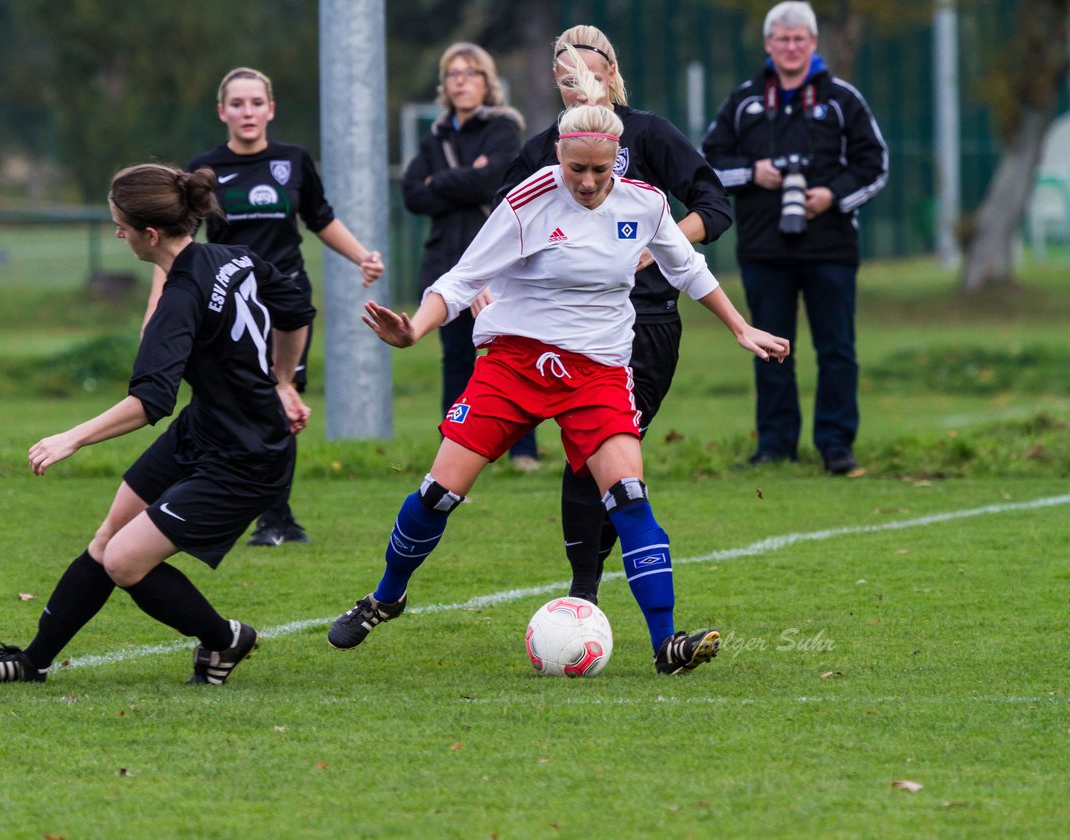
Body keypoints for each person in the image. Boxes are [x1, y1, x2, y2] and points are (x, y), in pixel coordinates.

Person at [327, 52, 789, 676]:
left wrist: (740, 327)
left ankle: (666, 643)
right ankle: (386, 596)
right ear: (559, 157)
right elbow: (461, 280)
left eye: (601, 171)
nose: (589, 183)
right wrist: (413, 329)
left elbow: (688, 268)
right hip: (514, 363)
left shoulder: (645, 204)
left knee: (628, 496)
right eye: (577, 169)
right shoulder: (530, 201)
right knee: (439, 494)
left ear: (617, 162)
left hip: (598, 371)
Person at [0, 164, 315, 685]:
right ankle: (31, 662)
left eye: (120, 226)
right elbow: (297, 308)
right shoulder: (233, 256)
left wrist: (71, 437)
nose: (117, 234)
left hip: (247, 456)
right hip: (205, 430)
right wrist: (284, 380)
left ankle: (225, 639)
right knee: (107, 540)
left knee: (125, 562)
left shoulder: (181, 298)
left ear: (149, 234)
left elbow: (150, 401)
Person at [493, 24, 735, 604]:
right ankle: (585, 595)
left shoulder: (648, 133)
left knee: (605, 462)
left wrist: (660, 246)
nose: (578, 83)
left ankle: (595, 595)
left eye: (589, 71)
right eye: (566, 74)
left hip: (645, 327)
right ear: (556, 80)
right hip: (565, 335)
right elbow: (500, 238)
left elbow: (714, 205)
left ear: (610, 72)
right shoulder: (541, 153)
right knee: (588, 457)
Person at [144, 66, 384, 548]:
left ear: (271, 109)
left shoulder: (293, 161)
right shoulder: (205, 168)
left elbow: (320, 219)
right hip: (226, 305)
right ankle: (208, 499)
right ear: (222, 112)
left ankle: (276, 517)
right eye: (237, 104)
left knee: (282, 400)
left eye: (256, 103)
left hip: (284, 301)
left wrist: (363, 256)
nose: (247, 112)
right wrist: (156, 307)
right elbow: (176, 242)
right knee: (226, 403)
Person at [701, 1, 887, 475]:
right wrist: (751, 172)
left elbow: (875, 164)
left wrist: (832, 194)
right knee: (769, 346)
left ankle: (836, 445)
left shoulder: (842, 98)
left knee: (837, 348)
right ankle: (775, 445)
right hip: (764, 247)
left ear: (813, 43)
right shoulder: (743, 101)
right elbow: (708, 162)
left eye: (799, 39)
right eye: (782, 39)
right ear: (768, 45)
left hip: (831, 246)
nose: (790, 47)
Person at [401, 42, 540, 471]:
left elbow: (489, 184)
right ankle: (454, 448)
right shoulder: (436, 135)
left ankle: (523, 453)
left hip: (495, 265)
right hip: (445, 259)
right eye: (453, 74)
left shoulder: (503, 128)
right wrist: (462, 177)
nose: (461, 82)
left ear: (487, 81)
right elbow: (412, 192)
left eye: (470, 73)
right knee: (456, 357)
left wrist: (439, 181)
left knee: (510, 355)